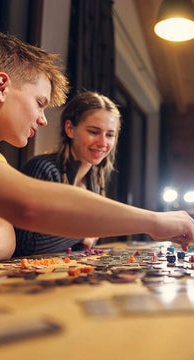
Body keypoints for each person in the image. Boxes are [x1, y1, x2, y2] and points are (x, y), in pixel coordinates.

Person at [0, 29, 194, 262]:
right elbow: (28, 208)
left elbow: (7, 233)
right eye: (40, 103)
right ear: (1, 87)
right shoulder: (41, 167)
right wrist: (154, 221)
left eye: (110, 134)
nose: (43, 119)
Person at [14, 91, 121, 256]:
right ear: (70, 129)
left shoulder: (95, 178)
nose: (103, 143)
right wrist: (82, 231)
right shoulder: (43, 168)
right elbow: (26, 244)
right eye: (93, 132)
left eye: (110, 135)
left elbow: (87, 240)